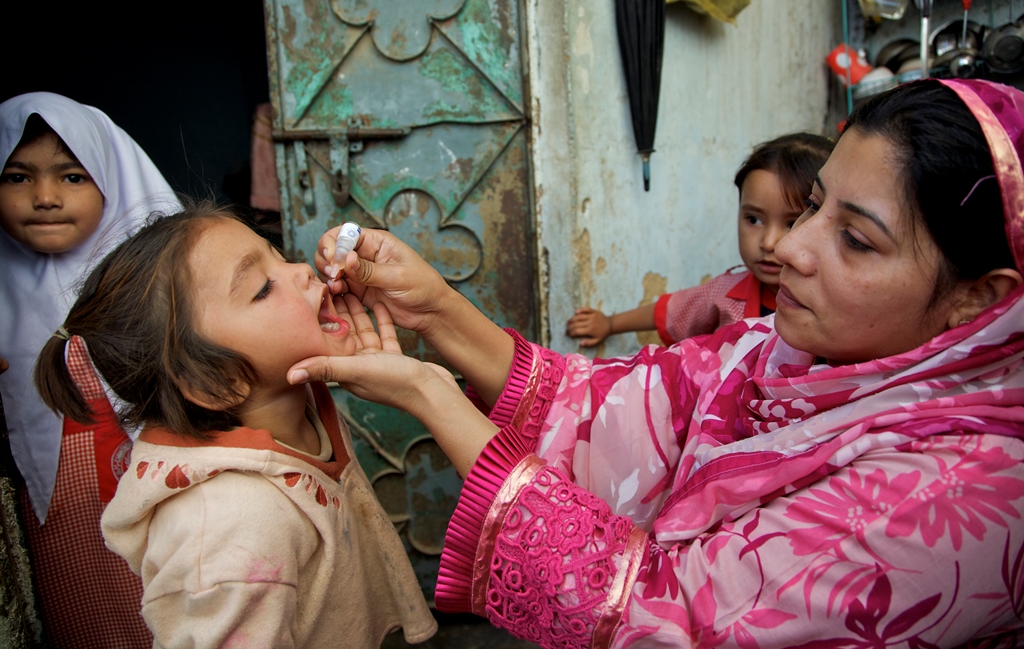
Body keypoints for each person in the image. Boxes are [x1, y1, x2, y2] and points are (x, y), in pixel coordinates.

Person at [298, 78, 1024, 647]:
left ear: (977, 298)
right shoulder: (779, 349)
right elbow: (615, 403)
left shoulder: (965, 494)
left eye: (856, 241)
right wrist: (433, 309)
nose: (794, 249)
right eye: (815, 208)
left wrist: (434, 395)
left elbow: (665, 615)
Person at [32, 203, 438, 648]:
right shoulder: (227, 530)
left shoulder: (298, 406)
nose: (303, 270)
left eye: (278, 256)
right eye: (263, 288)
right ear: (216, 380)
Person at [0, 92, 182, 647]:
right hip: (59, 516)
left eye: (73, 176)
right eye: (17, 177)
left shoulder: (162, 279)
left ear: (111, 177)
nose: (46, 197)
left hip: (159, 495)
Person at [566, 132, 833, 347]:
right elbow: (671, 310)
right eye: (754, 219)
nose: (769, 242)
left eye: (791, 223)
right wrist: (610, 323)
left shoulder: (839, 308)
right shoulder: (725, 295)